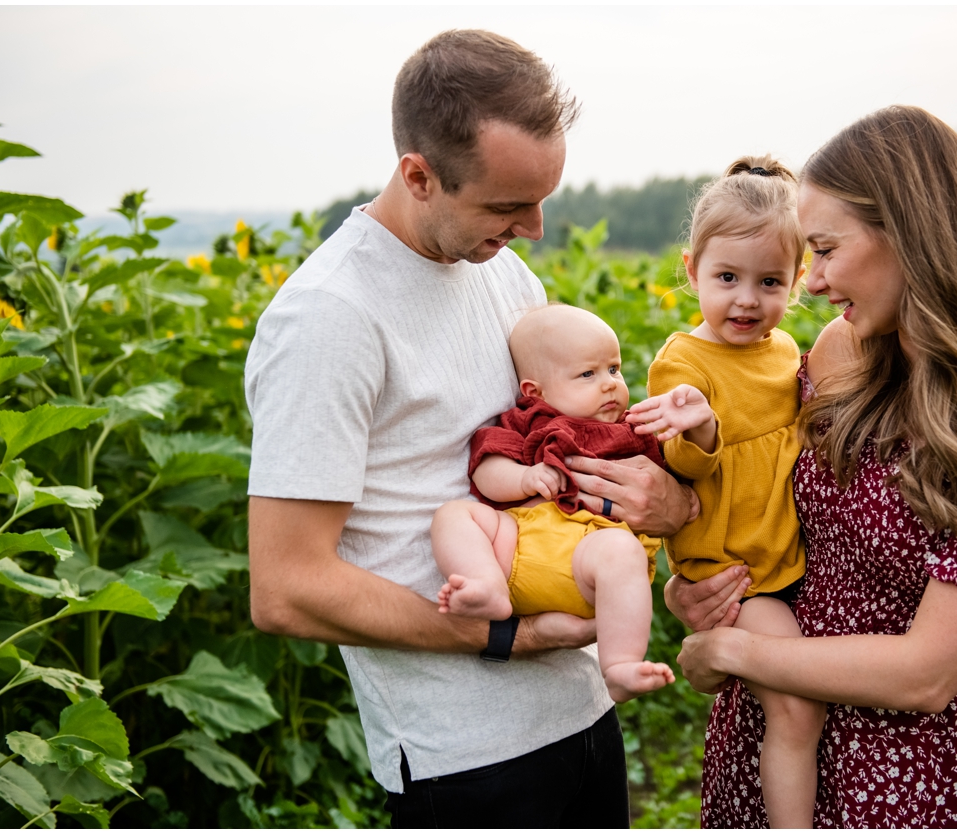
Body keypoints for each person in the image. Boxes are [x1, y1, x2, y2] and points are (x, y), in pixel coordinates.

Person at [244, 29, 695, 826]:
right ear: (418, 175)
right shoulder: (329, 318)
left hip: (583, 709)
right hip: (468, 760)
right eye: (506, 205)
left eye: (542, 198)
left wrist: (663, 499)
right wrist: (503, 638)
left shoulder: (504, 272)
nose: (536, 228)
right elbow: (286, 589)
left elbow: (565, 441)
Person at [668, 105, 957, 827]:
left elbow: (926, 674)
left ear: (908, 232)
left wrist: (727, 647)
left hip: (907, 769)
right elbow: (766, 501)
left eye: (826, 250)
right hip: (780, 728)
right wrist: (702, 583)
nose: (810, 283)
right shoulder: (846, 350)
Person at [630, 156, 825, 827]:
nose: (747, 299)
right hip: (739, 570)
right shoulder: (682, 363)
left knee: (789, 702)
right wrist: (702, 425)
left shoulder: (786, 352)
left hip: (786, 556)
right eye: (727, 278)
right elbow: (683, 467)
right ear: (692, 272)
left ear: (798, 280)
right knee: (797, 705)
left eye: (770, 281)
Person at [430, 304, 678, 703]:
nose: (609, 384)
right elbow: (485, 469)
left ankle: (619, 665)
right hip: (517, 548)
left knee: (620, 550)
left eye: (613, 369)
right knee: (454, 515)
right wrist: (524, 477)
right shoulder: (525, 423)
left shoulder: (631, 431)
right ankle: (485, 583)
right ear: (535, 392)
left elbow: (676, 474)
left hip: (587, 557)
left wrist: (694, 431)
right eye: (587, 374)